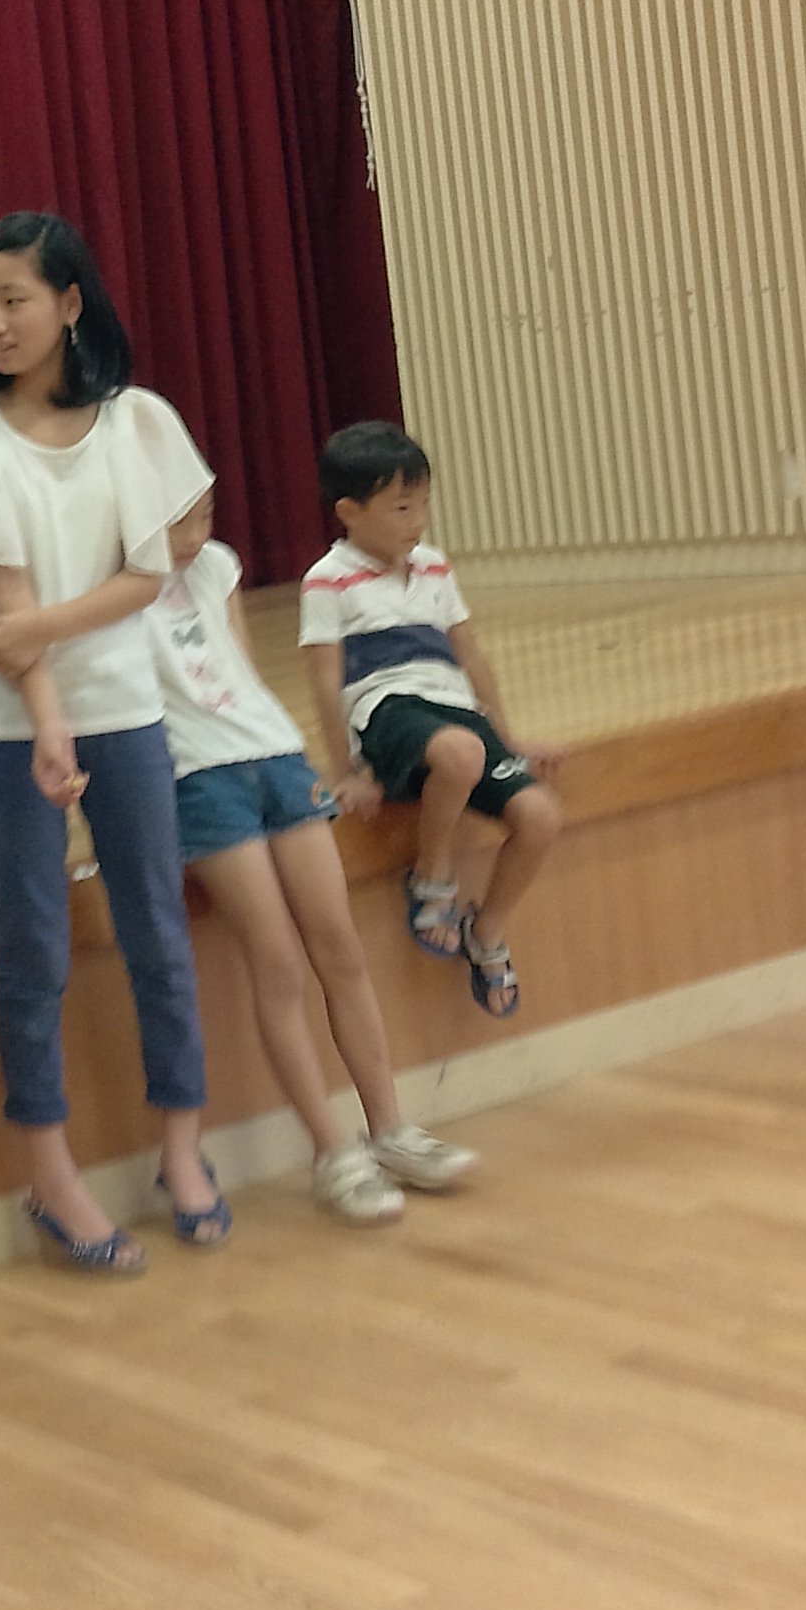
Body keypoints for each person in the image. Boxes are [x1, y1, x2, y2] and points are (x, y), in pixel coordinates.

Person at [0, 213, 219, 1273]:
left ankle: (182, 1148)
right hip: (9, 725)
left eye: (16, 300)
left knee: (158, 933)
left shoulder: (135, 420)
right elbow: (5, 609)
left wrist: (49, 633)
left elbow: (152, 570)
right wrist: (47, 715)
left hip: (126, 709)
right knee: (33, 948)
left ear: (70, 302)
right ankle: (52, 1178)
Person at [149, 488, 478, 1223]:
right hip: (197, 778)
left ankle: (390, 1128)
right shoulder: (110, 586)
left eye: (207, 518)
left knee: (340, 948)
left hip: (273, 754)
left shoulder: (215, 565)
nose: (197, 537)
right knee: (278, 965)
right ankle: (332, 1152)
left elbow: (237, 668)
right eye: (180, 522)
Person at [301, 422, 565, 1020]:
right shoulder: (326, 579)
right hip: (387, 711)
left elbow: (470, 655)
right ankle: (431, 879)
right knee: (460, 754)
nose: (418, 519)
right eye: (401, 507)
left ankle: (486, 931)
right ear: (349, 511)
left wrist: (509, 736)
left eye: (423, 503)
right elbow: (324, 679)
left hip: (455, 712)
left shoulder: (435, 567)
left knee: (540, 815)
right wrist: (347, 770)